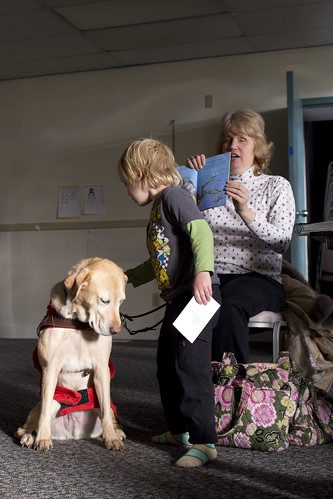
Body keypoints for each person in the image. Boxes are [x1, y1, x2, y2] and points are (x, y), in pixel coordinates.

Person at [118, 138, 219, 468]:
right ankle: (179, 431)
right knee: (166, 365)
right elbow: (158, 259)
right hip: (179, 301)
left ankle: (205, 441)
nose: (127, 191)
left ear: (139, 173)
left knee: (191, 367)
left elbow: (201, 231)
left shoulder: (175, 197)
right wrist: (127, 276)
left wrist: (203, 272)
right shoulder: (158, 207)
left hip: (199, 297)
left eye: (126, 183)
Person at [187, 109, 296, 363]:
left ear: (257, 146)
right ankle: (195, 391)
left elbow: (282, 242)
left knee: (227, 305)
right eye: (227, 139)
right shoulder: (210, 184)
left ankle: (230, 389)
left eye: (241, 139)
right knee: (185, 317)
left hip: (260, 279)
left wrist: (247, 212)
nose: (232, 145)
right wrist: (191, 180)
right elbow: (187, 225)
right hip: (213, 276)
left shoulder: (276, 185)